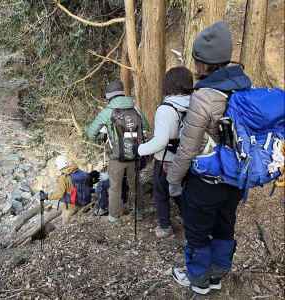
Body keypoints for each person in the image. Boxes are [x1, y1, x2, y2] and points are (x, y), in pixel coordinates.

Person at [167, 21, 252, 294]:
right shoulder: (245, 86)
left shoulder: (204, 97)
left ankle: (199, 279)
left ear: (204, 63)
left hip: (207, 181)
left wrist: (173, 179)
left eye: (196, 60)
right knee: (225, 225)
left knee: (198, 231)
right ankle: (218, 273)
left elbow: (188, 148)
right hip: (236, 179)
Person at [135, 66, 193, 238]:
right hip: (188, 156)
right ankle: (190, 220)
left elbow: (160, 141)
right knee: (182, 190)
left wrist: (140, 149)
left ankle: (165, 226)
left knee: (161, 194)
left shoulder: (166, 108)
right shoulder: (196, 103)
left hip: (166, 159)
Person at [86, 80, 149, 223]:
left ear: (109, 97)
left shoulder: (107, 112)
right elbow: (146, 126)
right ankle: (139, 212)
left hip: (117, 157)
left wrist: (103, 135)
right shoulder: (135, 108)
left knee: (115, 187)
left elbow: (90, 133)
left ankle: (114, 217)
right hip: (135, 154)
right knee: (135, 184)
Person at [40, 155, 98, 224]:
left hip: (71, 206)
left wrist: (46, 196)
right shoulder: (78, 171)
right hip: (85, 201)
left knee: (65, 224)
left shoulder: (63, 177)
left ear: (59, 166)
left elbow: (59, 194)